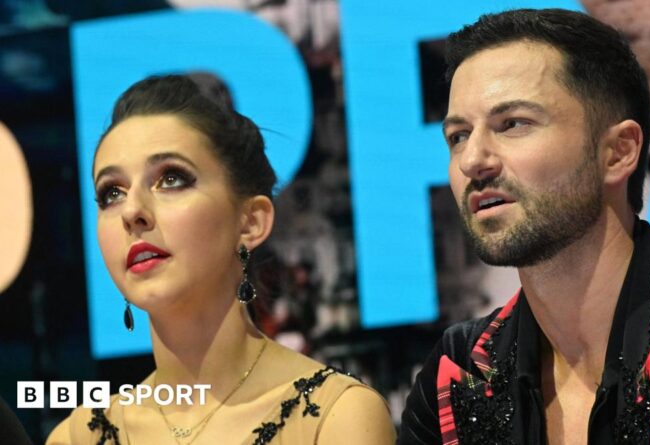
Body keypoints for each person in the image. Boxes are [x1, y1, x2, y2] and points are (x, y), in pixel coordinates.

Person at [399, 8, 650, 445]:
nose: (473, 160)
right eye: (458, 135)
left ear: (618, 153)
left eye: (512, 123)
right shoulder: (458, 371)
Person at [46, 75, 396, 445]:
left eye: (171, 179)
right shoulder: (79, 436)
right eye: (111, 193)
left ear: (251, 221)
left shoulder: (335, 416)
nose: (132, 211)